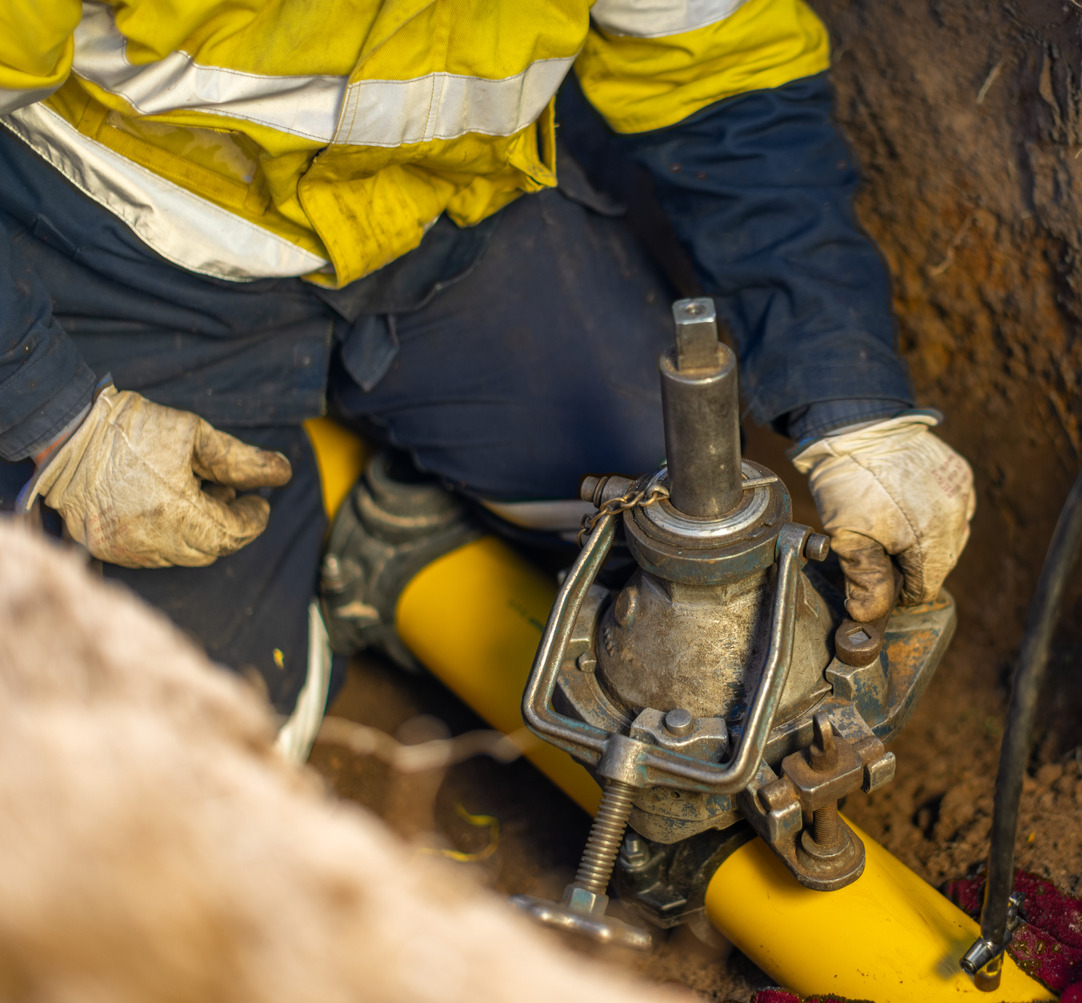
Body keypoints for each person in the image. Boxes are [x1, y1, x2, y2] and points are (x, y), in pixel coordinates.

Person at [0, 0, 976, 758]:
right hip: (125, 246)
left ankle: (393, 525)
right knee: (174, 759)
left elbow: (727, 82)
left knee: (667, 512)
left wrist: (856, 413)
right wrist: (55, 411)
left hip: (444, 213)